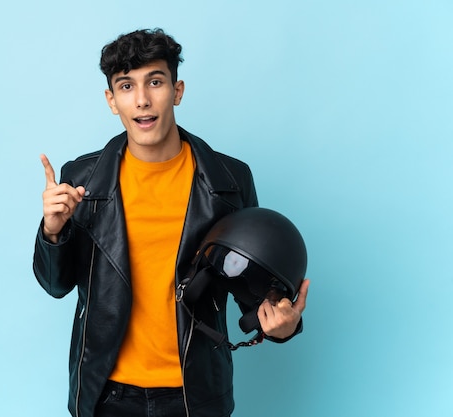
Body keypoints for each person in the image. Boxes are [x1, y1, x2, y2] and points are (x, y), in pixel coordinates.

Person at [33, 28, 309, 417]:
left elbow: (252, 289)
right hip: (107, 394)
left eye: (155, 82)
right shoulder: (81, 178)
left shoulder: (228, 181)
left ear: (177, 91)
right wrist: (52, 231)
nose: (142, 100)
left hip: (194, 394)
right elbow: (56, 284)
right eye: (126, 86)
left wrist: (281, 326)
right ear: (112, 100)